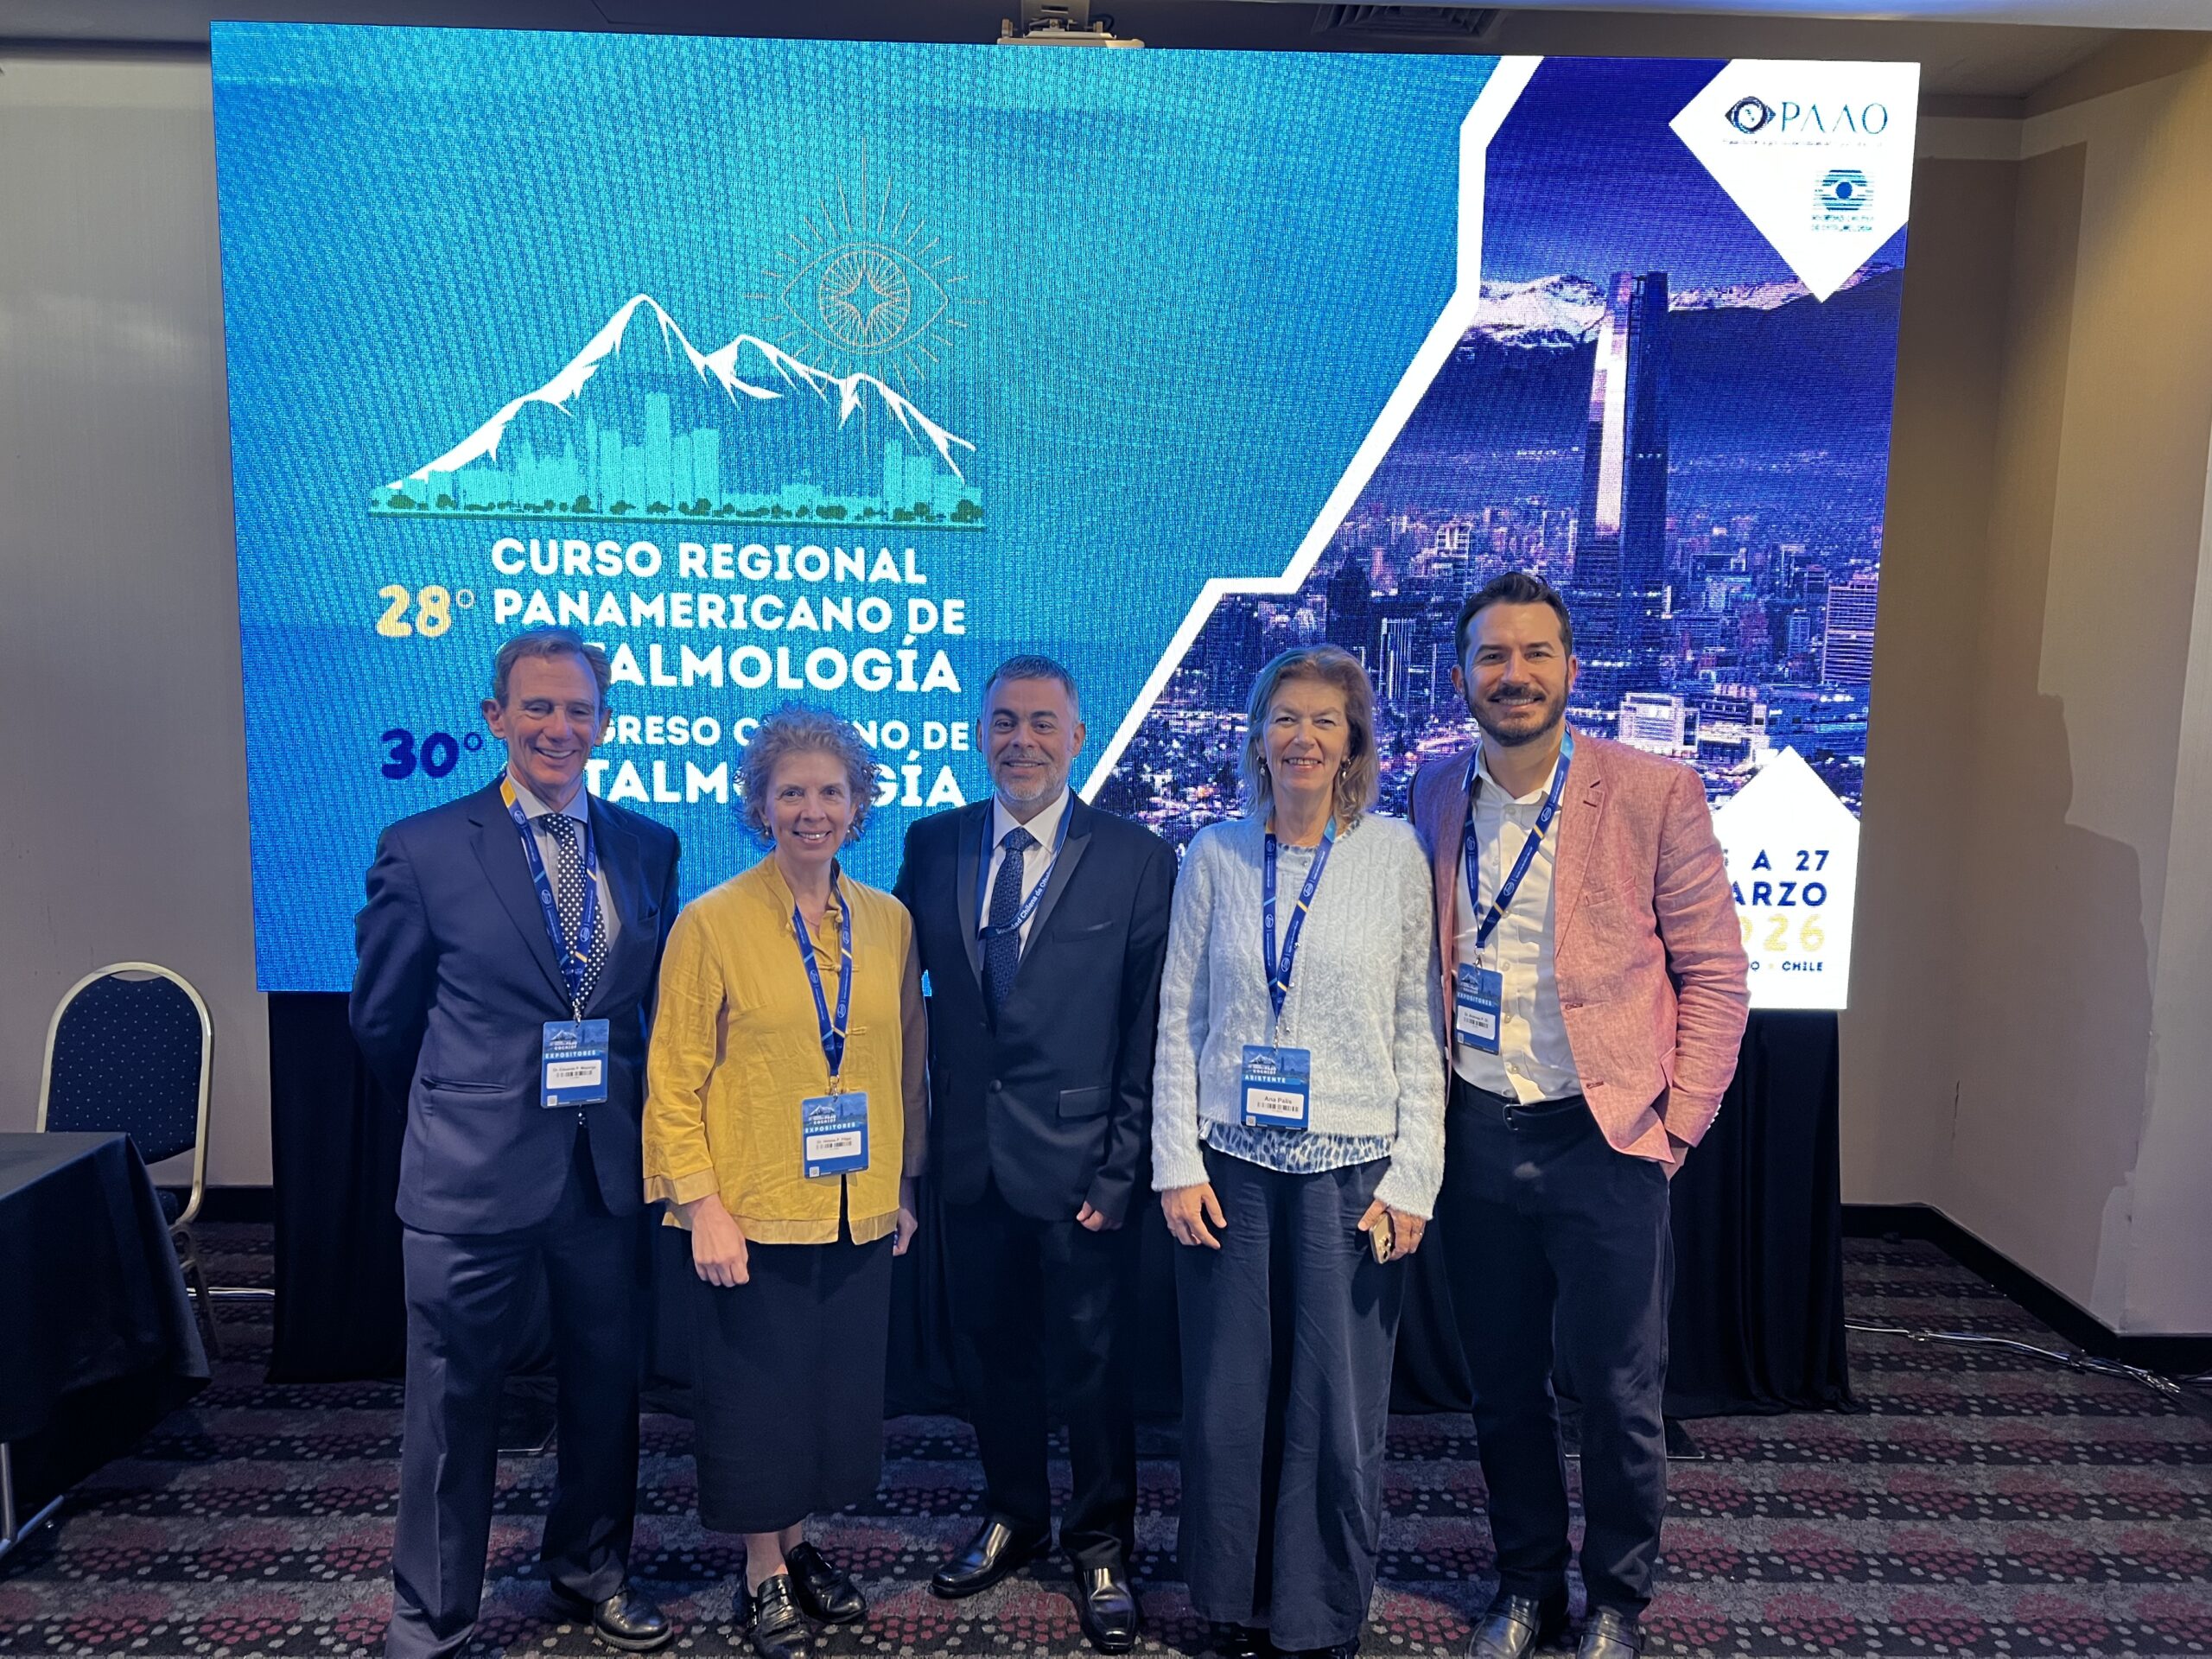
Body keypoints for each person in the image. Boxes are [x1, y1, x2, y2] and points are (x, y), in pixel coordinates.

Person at [1409, 573, 1750, 1659]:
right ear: (1461, 674)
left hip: (1604, 1135)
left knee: (1614, 1389)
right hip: (1475, 1128)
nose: (1513, 675)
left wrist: (1677, 1127)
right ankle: (1524, 1587)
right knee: (1502, 1385)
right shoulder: (1431, 792)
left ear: (1570, 667)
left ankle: (1614, 1598)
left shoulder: (1653, 792)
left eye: (1535, 654)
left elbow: (1715, 975)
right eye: (1492, 656)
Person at [351, 626, 681, 1659]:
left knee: (603, 1385)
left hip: (602, 1170)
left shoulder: (646, 846)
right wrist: (471, 1105)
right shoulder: (424, 847)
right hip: (470, 1174)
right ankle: (434, 1614)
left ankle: (590, 1569)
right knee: (453, 1402)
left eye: (578, 710)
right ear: (495, 718)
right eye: (537, 707)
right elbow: (381, 1023)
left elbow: (643, 1012)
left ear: (605, 724)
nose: (559, 728)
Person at [1153, 644, 1446, 1659]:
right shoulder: (1213, 854)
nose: (1304, 737)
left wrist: (1416, 1175)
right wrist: (1175, 1163)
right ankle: (1230, 1601)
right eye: (1286, 717)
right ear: (1256, 736)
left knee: (1335, 1407)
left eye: (1326, 720)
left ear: (1354, 741)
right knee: (1229, 1400)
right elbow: (1177, 1018)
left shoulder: (1394, 855)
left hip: (1353, 1173)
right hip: (1228, 1167)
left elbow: (1419, 1024)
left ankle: (1321, 1613)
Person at [893, 655, 1174, 1654]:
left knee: (1095, 1369)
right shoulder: (931, 846)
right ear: (979, 733)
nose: (1023, 741)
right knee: (989, 1358)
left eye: (1043, 724)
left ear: (1078, 735)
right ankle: (1014, 1514)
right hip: (967, 1163)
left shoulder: (1139, 857)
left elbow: (1149, 1029)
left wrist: (1122, 1168)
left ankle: (1102, 1543)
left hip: (1083, 1171)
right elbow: (894, 1008)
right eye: (1005, 723)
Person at [642, 703, 925, 1659]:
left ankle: (800, 1548)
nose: (813, 809)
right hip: (749, 1211)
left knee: (823, 1397)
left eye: (831, 791)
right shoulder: (710, 922)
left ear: (860, 804)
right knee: (757, 1402)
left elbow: (896, 1068)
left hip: (855, 1207)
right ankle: (760, 1571)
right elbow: (673, 1079)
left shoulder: (888, 924)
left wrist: (900, 1188)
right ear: (759, 805)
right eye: (792, 791)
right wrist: (702, 1205)